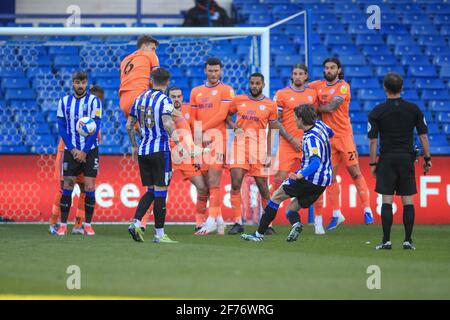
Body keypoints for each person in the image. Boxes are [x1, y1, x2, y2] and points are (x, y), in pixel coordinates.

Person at [241, 105, 333, 242]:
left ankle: (258, 235)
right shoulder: (320, 125)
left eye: (296, 118)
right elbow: (331, 134)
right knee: (291, 209)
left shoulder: (310, 139)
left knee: (275, 197)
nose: (294, 121)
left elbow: (315, 163)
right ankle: (296, 225)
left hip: (309, 179)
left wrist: (300, 175)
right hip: (323, 182)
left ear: (301, 119)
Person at [368, 72, 431, 250]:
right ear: (402, 88)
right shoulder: (413, 109)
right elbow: (423, 136)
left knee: (387, 200)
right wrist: (427, 158)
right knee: (407, 200)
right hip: (406, 158)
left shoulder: (377, 111)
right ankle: (408, 240)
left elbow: (373, 141)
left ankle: (386, 241)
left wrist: (373, 163)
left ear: (385, 88)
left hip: (387, 159)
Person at [309, 58, 374, 230]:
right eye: (326, 68)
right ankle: (337, 214)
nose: (329, 70)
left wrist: (312, 109)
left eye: (332, 68)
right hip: (327, 139)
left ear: (338, 70)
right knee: (329, 177)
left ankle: (367, 209)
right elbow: (303, 90)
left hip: (344, 136)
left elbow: (331, 107)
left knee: (355, 172)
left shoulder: (343, 86)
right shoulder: (317, 85)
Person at [126, 68, 182, 243]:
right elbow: (167, 122)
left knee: (150, 191)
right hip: (160, 151)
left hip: (143, 150)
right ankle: (159, 235)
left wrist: (135, 146)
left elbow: (129, 125)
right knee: (160, 192)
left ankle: (135, 222)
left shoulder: (140, 98)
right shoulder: (165, 100)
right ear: (166, 83)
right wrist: (180, 144)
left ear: (151, 80)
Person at [273, 64, 327, 234]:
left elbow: (317, 118)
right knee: (279, 179)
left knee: (315, 180)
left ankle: (318, 222)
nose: (297, 76)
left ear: (306, 76)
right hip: (288, 144)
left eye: (301, 74)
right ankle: (269, 222)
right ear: (291, 76)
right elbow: (275, 120)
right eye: (295, 73)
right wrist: (290, 138)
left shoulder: (313, 94)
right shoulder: (282, 94)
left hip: (309, 144)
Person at [226, 73, 277, 235]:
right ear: (249, 84)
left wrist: (269, 152)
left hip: (259, 149)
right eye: (252, 83)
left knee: (263, 188)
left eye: (257, 83)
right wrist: (234, 126)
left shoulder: (270, 105)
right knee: (235, 183)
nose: (254, 86)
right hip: (239, 147)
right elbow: (227, 116)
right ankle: (237, 222)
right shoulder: (239, 100)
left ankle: (267, 225)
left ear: (263, 85)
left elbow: (273, 129)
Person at [49, 85, 104, 235]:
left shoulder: (92, 120)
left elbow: (96, 137)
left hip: (87, 154)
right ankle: (54, 222)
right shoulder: (74, 112)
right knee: (64, 187)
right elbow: (64, 131)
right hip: (67, 152)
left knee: (86, 189)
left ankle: (79, 224)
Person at [190, 57, 235, 235]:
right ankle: (219, 219)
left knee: (215, 181)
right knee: (208, 184)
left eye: (216, 71)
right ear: (205, 71)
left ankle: (210, 221)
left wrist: (203, 130)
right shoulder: (196, 91)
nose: (213, 74)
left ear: (221, 71)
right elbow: (192, 116)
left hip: (218, 140)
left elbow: (222, 115)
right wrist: (199, 133)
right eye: (210, 70)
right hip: (201, 142)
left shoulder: (226, 90)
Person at [167, 86, 209, 232]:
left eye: (179, 96)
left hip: (186, 156)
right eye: (173, 96)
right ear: (168, 97)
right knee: (157, 189)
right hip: (168, 155)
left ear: (182, 97)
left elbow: (197, 132)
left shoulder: (190, 110)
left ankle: (199, 223)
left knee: (202, 187)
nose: (176, 99)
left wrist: (197, 155)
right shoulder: (163, 110)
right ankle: (143, 223)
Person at [119, 35, 160, 120]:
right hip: (139, 95)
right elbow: (158, 78)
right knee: (153, 128)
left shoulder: (125, 60)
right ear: (144, 46)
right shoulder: (150, 54)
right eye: (153, 48)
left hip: (124, 99)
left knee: (135, 128)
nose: (154, 52)